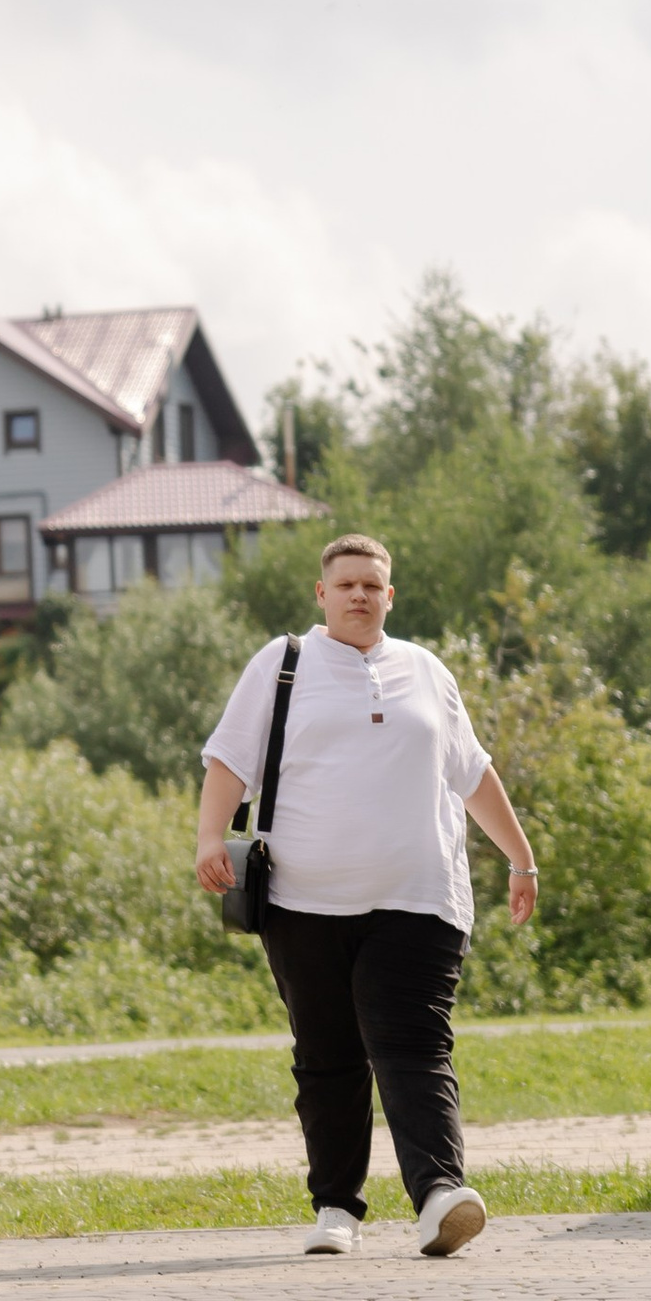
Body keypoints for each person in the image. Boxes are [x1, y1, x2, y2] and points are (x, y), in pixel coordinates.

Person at [196, 530, 538, 1259]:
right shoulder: (283, 663)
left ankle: (442, 1194)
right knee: (327, 1055)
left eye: (372, 584)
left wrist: (521, 857)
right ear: (322, 594)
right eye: (345, 583)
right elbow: (229, 758)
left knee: (412, 1044)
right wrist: (205, 839)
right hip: (302, 899)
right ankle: (336, 1209)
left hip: (418, 896)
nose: (359, 594)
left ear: (390, 595)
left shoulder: (425, 670)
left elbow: (471, 772)